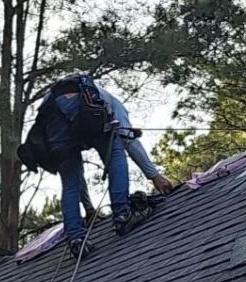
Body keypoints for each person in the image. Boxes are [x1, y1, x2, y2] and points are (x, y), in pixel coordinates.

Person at [17, 74, 172, 253]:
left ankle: (76, 238)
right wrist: (154, 175)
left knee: (69, 179)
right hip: (72, 98)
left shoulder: (90, 98)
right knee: (115, 149)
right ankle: (122, 214)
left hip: (49, 115)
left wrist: (89, 208)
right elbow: (127, 138)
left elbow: (76, 178)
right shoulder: (115, 104)